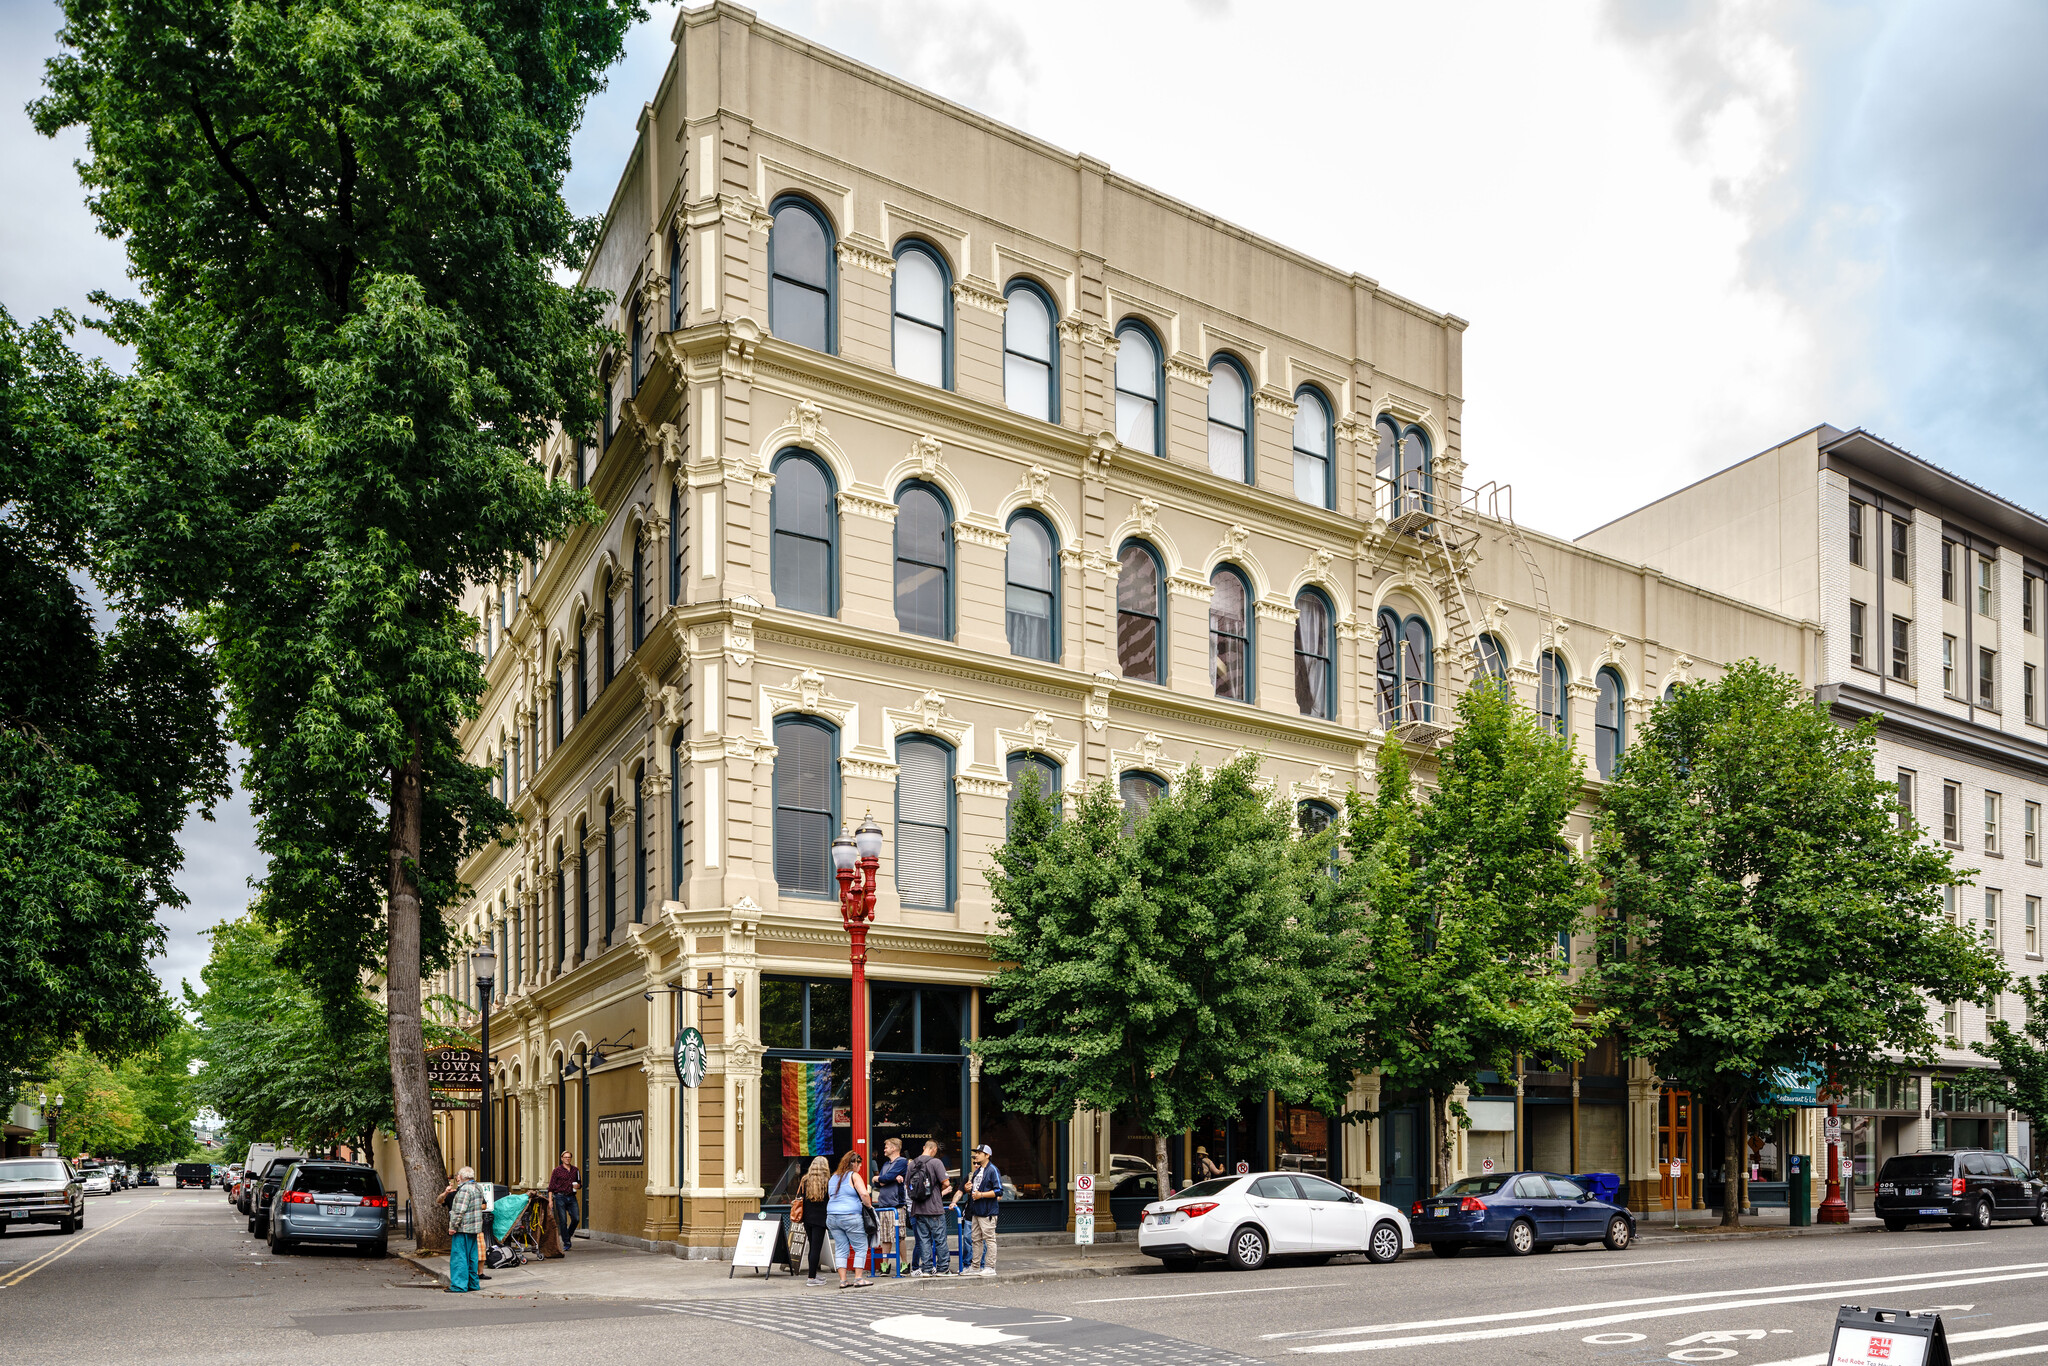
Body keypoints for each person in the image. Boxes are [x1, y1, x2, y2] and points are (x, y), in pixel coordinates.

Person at [825, 1150, 874, 1288]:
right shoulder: (854, 1176)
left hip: (832, 1217)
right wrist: (869, 1206)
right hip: (851, 1216)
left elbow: (831, 1197)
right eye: (859, 1164)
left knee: (840, 1248)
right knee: (860, 1247)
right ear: (854, 1163)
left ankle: (843, 1280)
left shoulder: (834, 1177)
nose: (860, 1167)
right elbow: (864, 1194)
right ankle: (858, 1278)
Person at [905, 1138, 952, 1277]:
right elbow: (946, 1182)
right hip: (934, 1208)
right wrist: (936, 1190)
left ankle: (926, 1269)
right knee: (940, 1239)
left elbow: (908, 1186)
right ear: (934, 1149)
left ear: (924, 1147)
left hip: (917, 1209)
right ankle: (943, 1269)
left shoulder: (912, 1164)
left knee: (924, 1240)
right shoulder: (936, 1162)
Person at [952, 1143, 1001, 1276]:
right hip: (976, 1211)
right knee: (976, 1240)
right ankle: (975, 1267)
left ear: (987, 1155)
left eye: (979, 1153)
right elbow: (972, 1190)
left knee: (989, 1239)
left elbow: (998, 1191)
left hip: (987, 1212)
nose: (976, 1155)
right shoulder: (977, 1172)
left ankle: (990, 1267)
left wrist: (981, 1195)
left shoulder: (992, 1170)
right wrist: (968, 1189)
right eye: (976, 1153)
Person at [445, 1167, 484, 1293]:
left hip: (463, 1228)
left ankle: (459, 1285)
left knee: (459, 1257)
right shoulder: (477, 1188)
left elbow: (458, 1211)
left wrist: (452, 1227)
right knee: (472, 1257)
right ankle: (473, 1283)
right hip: (474, 1228)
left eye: (458, 1177)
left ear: (461, 1177)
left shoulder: (464, 1190)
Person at [872, 1137, 908, 1275]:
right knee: (885, 1237)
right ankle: (884, 1265)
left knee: (900, 1236)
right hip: (884, 1204)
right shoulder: (886, 1164)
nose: (884, 1149)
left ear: (894, 1148)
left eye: (886, 1146)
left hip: (896, 1205)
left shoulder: (902, 1162)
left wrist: (883, 1179)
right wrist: (883, 1179)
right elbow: (878, 1183)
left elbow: (884, 1178)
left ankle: (904, 1264)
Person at [796, 1156, 831, 1285]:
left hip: (807, 1218)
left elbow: (800, 1196)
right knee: (816, 1248)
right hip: (821, 1219)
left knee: (812, 1247)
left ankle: (813, 1274)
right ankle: (811, 1278)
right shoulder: (827, 1181)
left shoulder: (805, 1180)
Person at [547, 1151, 581, 1254]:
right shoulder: (557, 1171)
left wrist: (578, 1186)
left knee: (576, 1218)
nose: (567, 1159)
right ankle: (566, 1243)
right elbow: (551, 1186)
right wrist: (550, 1200)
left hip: (571, 1197)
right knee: (563, 1220)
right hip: (560, 1197)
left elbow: (580, 1183)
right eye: (565, 1157)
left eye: (569, 1157)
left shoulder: (575, 1170)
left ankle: (567, 1235)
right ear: (562, 1158)